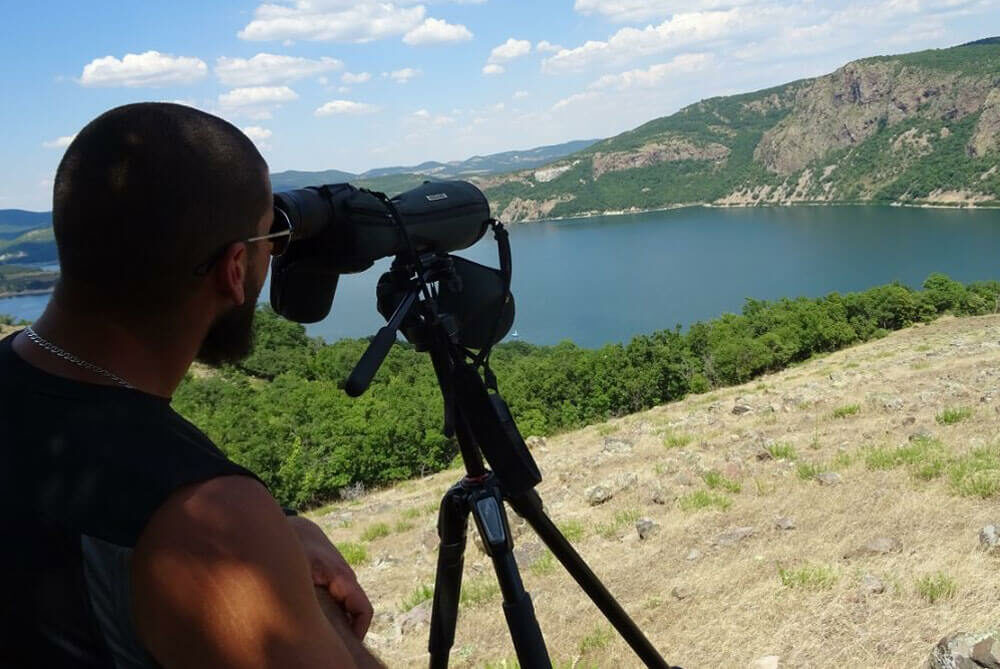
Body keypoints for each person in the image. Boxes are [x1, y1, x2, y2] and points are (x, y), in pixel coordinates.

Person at [0, 103, 384, 668]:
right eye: (272, 237)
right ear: (235, 269)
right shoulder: (197, 515)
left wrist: (274, 532)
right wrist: (279, 576)